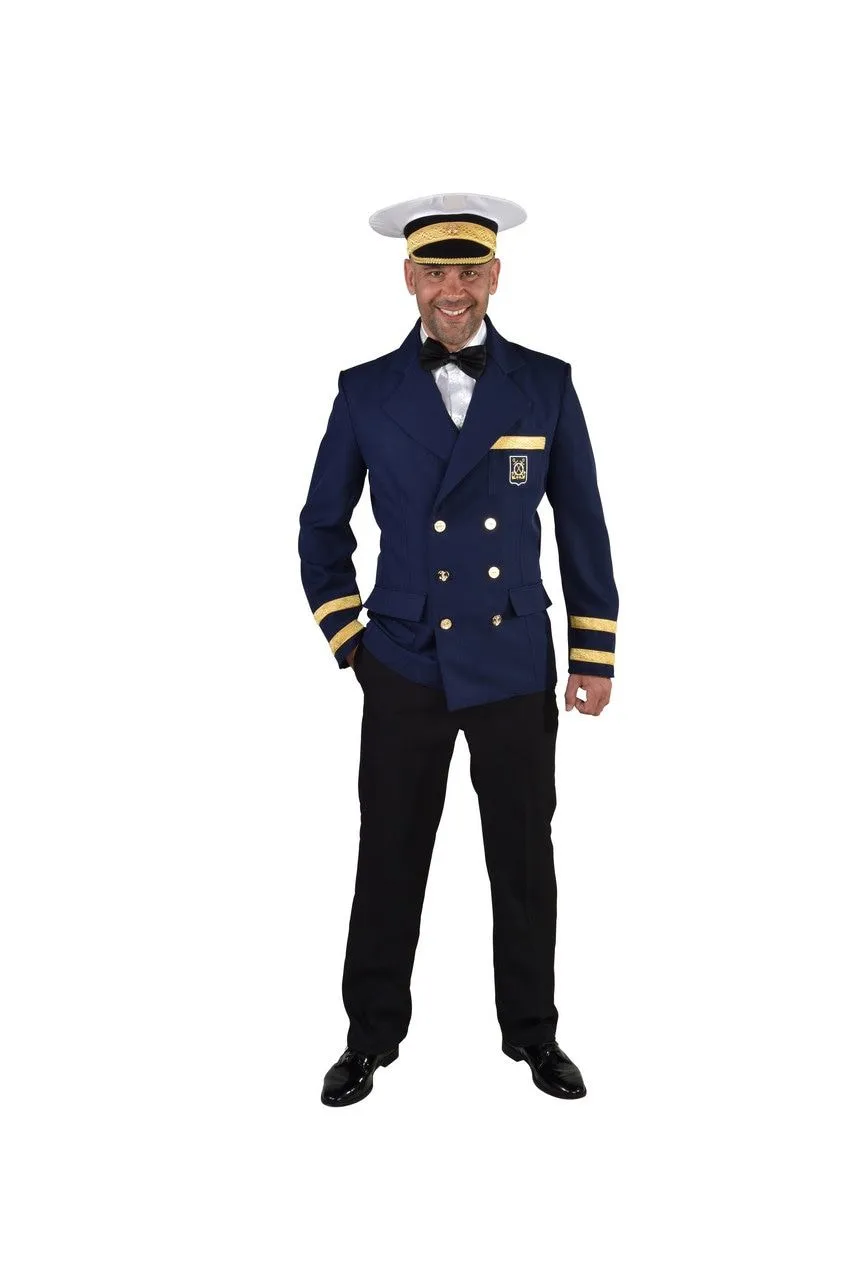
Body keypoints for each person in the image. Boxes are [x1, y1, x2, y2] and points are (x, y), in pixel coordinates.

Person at [298, 192, 618, 1106]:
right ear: (408, 278)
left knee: (522, 858)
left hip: (512, 659)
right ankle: (369, 1038)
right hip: (403, 661)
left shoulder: (544, 383)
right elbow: (321, 528)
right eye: (434, 272)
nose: (452, 289)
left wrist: (592, 654)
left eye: (468, 271)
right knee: (389, 855)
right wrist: (353, 643)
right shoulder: (363, 390)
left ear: (495, 276)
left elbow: (582, 526)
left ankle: (533, 1034)